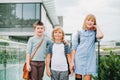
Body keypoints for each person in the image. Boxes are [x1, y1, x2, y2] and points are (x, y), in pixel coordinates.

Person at [70, 14, 104, 80]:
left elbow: (100, 36)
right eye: (88, 20)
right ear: (85, 21)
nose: (90, 22)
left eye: (92, 21)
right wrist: (72, 62)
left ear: (94, 23)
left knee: (88, 78)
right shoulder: (79, 33)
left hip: (90, 61)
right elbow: (74, 49)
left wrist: (97, 27)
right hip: (79, 59)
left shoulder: (94, 33)